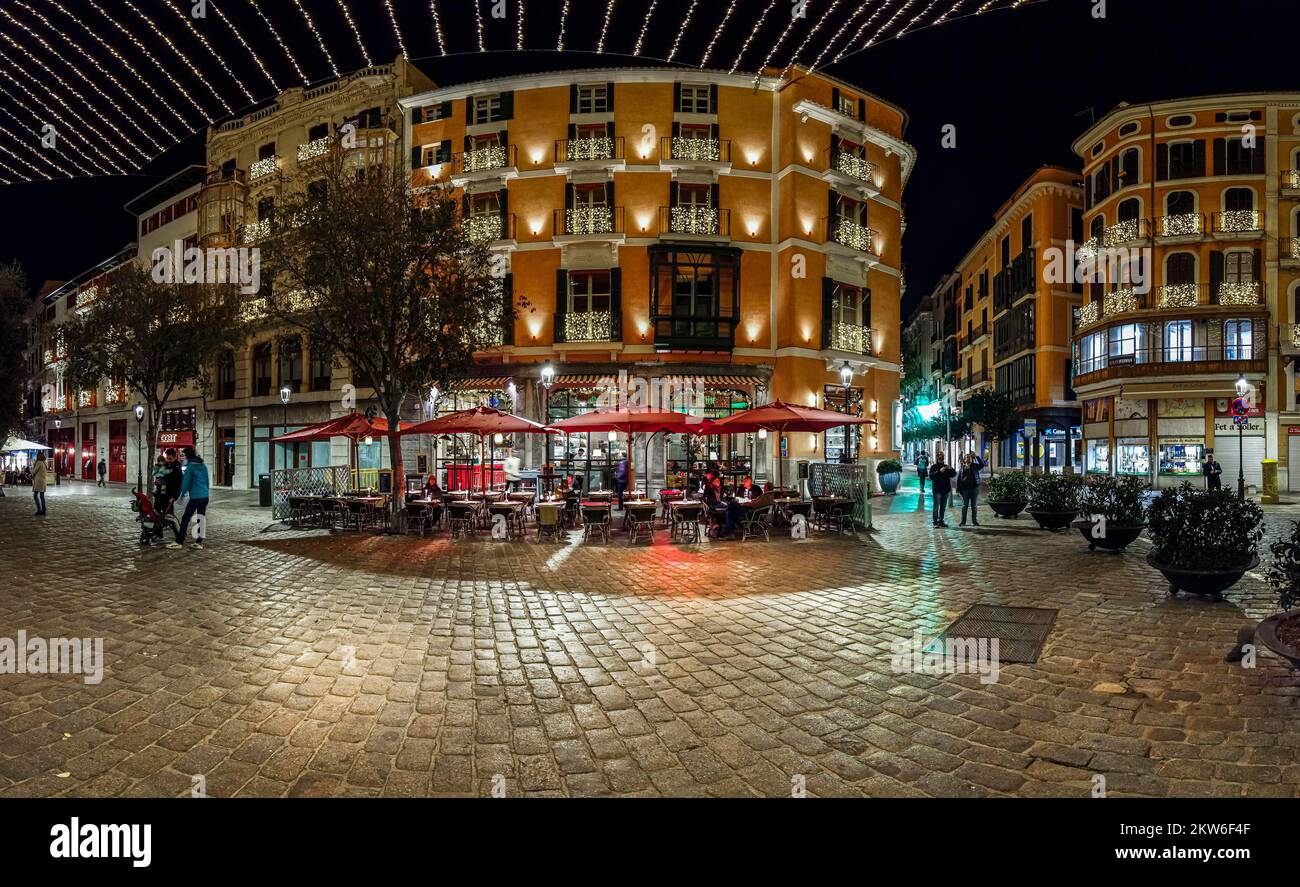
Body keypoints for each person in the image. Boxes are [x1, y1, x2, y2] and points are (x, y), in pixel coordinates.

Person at [169, 446, 210, 550]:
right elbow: (207, 481)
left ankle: (179, 541)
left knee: (186, 517)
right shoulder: (203, 465)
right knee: (201, 517)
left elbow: (186, 483)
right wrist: (205, 492)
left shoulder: (190, 467)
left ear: (187, 456)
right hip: (205, 495)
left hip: (196, 496)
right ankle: (199, 542)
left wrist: (182, 495)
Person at [928, 451, 956, 528]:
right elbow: (931, 476)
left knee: (943, 507)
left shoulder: (946, 466)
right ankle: (935, 522)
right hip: (937, 490)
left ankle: (941, 521)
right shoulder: (934, 467)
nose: (942, 456)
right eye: (940, 455)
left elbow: (953, 474)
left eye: (943, 455)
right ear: (937, 457)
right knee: (936, 507)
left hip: (945, 490)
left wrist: (951, 469)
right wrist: (939, 472)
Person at [956, 453, 982, 527]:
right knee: (965, 506)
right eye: (966, 457)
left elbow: (982, 464)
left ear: (971, 458)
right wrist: (958, 490)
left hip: (974, 489)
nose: (968, 458)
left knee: (974, 506)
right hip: (965, 490)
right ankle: (963, 521)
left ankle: (974, 521)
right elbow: (958, 479)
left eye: (969, 457)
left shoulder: (975, 466)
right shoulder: (962, 468)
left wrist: (976, 456)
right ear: (964, 459)